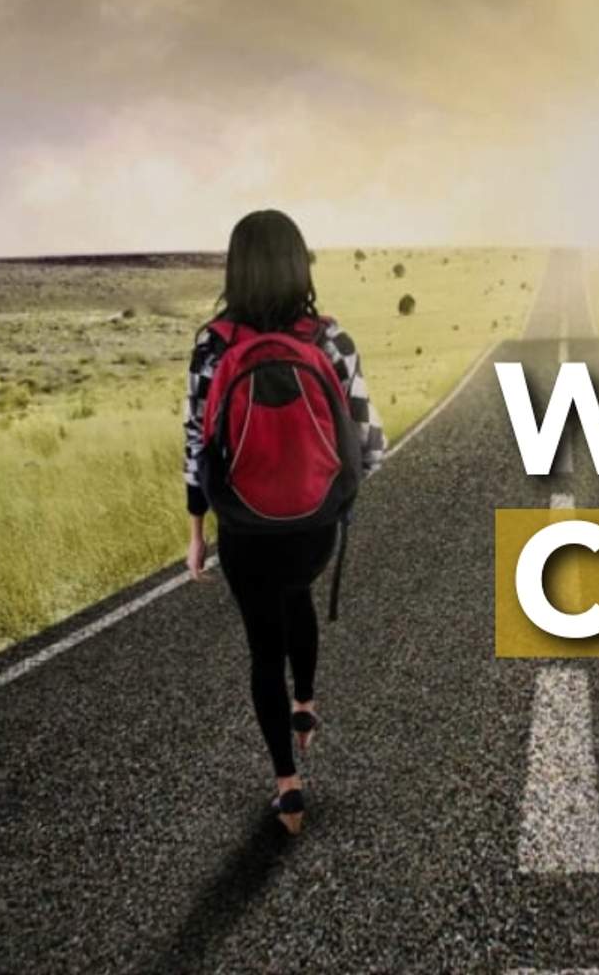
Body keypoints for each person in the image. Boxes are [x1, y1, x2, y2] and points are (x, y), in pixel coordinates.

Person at [183, 209, 384, 834]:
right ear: (301, 264)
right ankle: (306, 704)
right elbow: (371, 443)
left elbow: (197, 442)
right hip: (313, 530)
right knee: (298, 591)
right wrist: (331, 495)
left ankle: (288, 789)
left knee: (262, 647)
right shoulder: (331, 339)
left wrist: (197, 531)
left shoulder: (212, 344)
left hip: (244, 528)